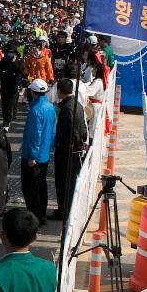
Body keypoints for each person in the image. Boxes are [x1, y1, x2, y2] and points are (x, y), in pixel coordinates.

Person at [51, 77, 89, 220]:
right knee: (69, 181)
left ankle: (63, 211)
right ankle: (64, 209)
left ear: (60, 91)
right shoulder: (77, 104)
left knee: (63, 182)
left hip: (66, 151)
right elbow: (83, 126)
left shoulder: (67, 109)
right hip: (73, 150)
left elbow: (72, 130)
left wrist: (78, 142)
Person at [20, 78, 56, 221]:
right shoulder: (50, 107)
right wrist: (48, 147)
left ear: (33, 92)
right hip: (44, 154)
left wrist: (32, 156)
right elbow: (53, 130)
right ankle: (41, 214)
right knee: (41, 185)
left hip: (32, 155)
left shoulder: (35, 110)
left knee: (30, 188)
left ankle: (34, 217)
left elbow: (35, 134)